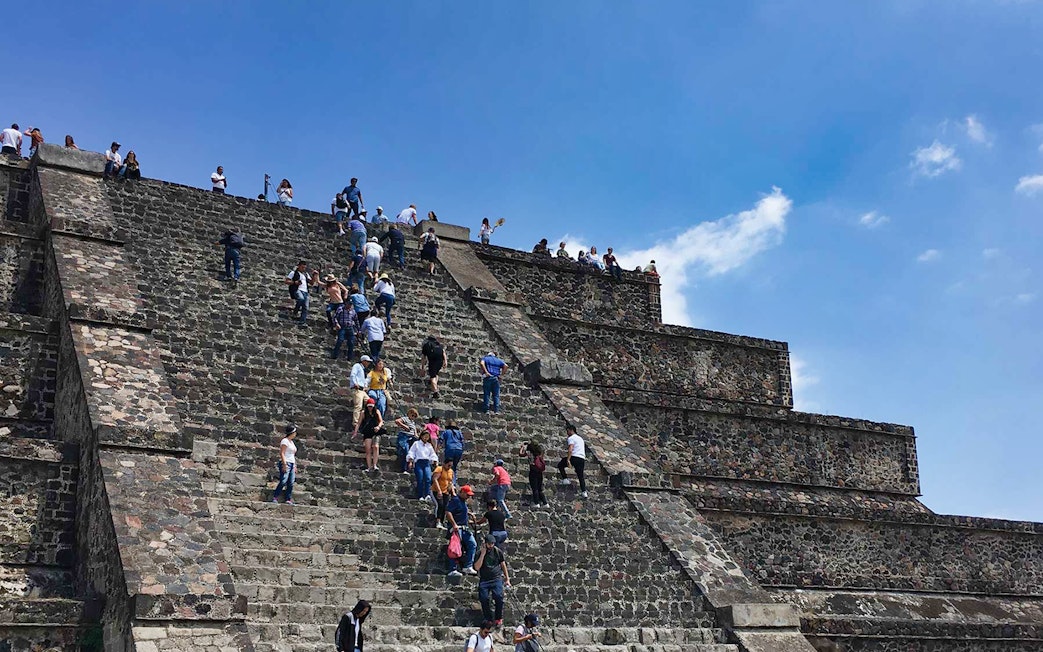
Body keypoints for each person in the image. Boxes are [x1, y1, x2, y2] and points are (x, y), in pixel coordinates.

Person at [473, 533, 511, 626]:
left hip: (496, 578)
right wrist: (482, 554)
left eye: (493, 544)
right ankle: (488, 618)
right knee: (484, 598)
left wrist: (507, 579)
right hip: (485, 579)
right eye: (489, 544)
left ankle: (498, 617)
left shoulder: (498, 552)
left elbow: (503, 565)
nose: (491, 546)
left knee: (499, 597)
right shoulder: (479, 553)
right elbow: (477, 567)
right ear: (485, 543)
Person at [446, 485, 477, 577]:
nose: (468, 497)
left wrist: (469, 513)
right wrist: (454, 524)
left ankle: (468, 566)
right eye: (467, 494)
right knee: (455, 548)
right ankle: (453, 569)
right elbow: (448, 512)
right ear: (462, 492)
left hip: (464, 528)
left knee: (472, 544)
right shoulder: (455, 500)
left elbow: (460, 510)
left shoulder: (462, 502)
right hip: (457, 528)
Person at [355, 398, 386, 472]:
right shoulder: (363, 412)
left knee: (375, 446)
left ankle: (375, 465)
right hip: (368, 431)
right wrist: (355, 432)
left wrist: (378, 427)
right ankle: (369, 467)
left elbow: (381, 421)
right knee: (368, 449)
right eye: (369, 406)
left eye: (371, 406)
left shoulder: (376, 411)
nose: (370, 408)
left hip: (375, 431)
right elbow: (359, 423)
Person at [406, 430, 438, 502]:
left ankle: (427, 495)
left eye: (427, 437)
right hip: (419, 463)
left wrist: (435, 460)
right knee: (420, 479)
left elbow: (432, 454)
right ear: (421, 436)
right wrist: (410, 461)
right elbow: (412, 452)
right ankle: (420, 495)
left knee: (428, 478)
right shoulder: (416, 444)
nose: (426, 438)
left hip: (426, 463)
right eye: (425, 437)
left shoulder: (429, 445)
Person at [557, 424, 587, 498]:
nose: (567, 433)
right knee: (580, 475)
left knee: (560, 465)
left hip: (574, 456)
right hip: (581, 458)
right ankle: (584, 492)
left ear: (571, 430)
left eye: (567, 431)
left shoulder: (571, 438)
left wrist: (568, 459)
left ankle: (565, 479)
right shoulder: (580, 439)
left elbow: (571, 449)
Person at [271, 425, 298, 504]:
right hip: (286, 462)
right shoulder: (285, 441)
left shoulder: (292, 442)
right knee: (283, 481)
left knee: (291, 482)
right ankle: (275, 497)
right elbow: (282, 453)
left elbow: (292, 455)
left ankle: (288, 499)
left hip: (292, 463)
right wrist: (284, 464)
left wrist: (295, 465)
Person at [286, 261, 317, 326]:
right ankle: (295, 311)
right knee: (301, 299)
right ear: (299, 266)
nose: (303, 269)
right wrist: (295, 282)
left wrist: (314, 276)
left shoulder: (306, 274)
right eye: (302, 267)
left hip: (305, 291)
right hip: (297, 289)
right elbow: (287, 281)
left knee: (306, 307)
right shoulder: (293, 273)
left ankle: (302, 321)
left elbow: (311, 283)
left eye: (304, 268)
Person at [519, 440, 547, 508]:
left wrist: (522, 446)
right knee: (539, 488)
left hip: (533, 471)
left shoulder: (529, 453)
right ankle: (545, 503)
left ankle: (536, 503)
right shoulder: (540, 452)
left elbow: (521, 454)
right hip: (539, 472)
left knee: (535, 488)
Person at [349, 355, 373, 430]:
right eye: (367, 362)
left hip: (362, 390)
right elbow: (353, 374)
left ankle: (367, 419)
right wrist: (354, 383)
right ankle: (355, 422)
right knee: (358, 406)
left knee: (370, 403)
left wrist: (365, 386)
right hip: (357, 389)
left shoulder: (363, 370)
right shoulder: (357, 366)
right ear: (363, 361)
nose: (368, 363)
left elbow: (364, 380)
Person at [394, 408, 420, 474]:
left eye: (414, 416)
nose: (413, 417)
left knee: (412, 453)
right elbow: (397, 421)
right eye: (412, 415)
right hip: (404, 436)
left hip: (411, 438)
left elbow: (415, 434)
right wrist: (405, 426)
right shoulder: (405, 419)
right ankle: (404, 469)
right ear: (409, 414)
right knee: (405, 450)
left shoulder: (413, 423)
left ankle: (410, 468)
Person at [432, 463, 456, 529]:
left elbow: (450, 482)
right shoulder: (439, 469)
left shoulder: (451, 471)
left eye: (451, 466)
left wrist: (453, 492)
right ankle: (438, 521)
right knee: (440, 504)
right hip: (436, 490)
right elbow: (435, 479)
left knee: (445, 507)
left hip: (446, 492)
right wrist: (439, 490)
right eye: (448, 465)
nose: (449, 467)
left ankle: (442, 522)